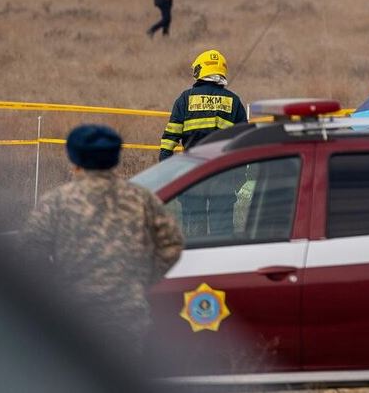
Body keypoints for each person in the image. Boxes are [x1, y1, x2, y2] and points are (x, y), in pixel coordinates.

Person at [21, 124, 184, 357]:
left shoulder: (57, 201)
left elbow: (29, 254)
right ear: (115, 159)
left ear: (74, 160)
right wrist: (140, 278)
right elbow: (171, 244)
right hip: (126, 314)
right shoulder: (140, 198)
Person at [159, 49, 248, 237]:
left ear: (201, 70)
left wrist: (166, 175)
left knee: (193, 232)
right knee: (222, 233)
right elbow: (244, 145)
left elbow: (169, 141)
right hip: (223, 174)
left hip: (192, 173)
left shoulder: (185, 99)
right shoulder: (233, 101)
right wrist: (239, 178)